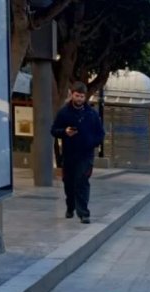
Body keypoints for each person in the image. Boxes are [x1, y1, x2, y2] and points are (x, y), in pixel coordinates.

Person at [51, 82, 104, 223]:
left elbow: (100, 134)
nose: (79, 99)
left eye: (82, 96)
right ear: (72, 94)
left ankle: (83, 213)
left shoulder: (92, 114)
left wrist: (92, 143)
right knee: (68, 183)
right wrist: (65, 132)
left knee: (82, 182)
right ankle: (70, 207)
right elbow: (54, 130)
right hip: (69, 154)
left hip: (86, 155)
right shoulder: (64, 113)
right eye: (77, 96)